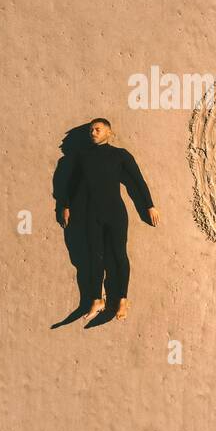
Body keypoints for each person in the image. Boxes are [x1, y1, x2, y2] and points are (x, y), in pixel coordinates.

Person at [61, 119, 161, 322]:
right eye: (91, 130)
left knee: (118, 255)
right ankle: (97, 300)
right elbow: (71, 183)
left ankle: (122, 299)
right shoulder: (83, 156)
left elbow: (137, 181)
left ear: (109, 132)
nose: (93, 132)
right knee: (95, 257)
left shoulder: (120, 155)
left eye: (98, 129)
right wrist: (65, 206)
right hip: (92, 215)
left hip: (115, 213)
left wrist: (149, 205)